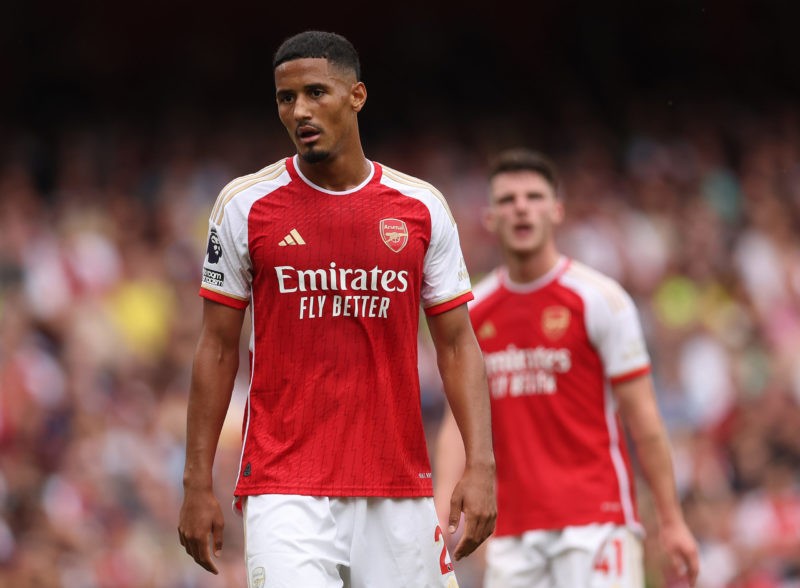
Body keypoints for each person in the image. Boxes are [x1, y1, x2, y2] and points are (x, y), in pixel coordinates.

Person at [177, 30, 496, 587]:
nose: (299, 110)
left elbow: (456, 343)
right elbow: (217, 347)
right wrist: (195, 483)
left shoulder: (419, 207)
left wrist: (481, 463)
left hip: (398, 484)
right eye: (285, 98)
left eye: (316, 92)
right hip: (283, 486)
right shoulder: (245, 205)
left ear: (357, 96)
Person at [434, 148, 699, 587]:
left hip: (597, 521)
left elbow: (645, 420)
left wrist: (672, 521)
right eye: (507, 199)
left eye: (534, 196)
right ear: (489, 219)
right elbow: (454, 425)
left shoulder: (599, 298)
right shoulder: (472, 312)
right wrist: (443, 511)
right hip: (511, 532)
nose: (521, 207)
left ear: (557, 211)